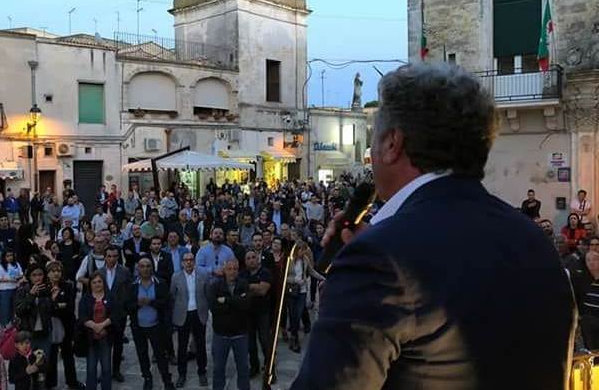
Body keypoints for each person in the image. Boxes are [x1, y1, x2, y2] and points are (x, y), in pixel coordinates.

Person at [291, 63, 575, 390]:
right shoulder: (535, 242)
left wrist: (353, 283)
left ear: (392, 143)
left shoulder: (378, 260)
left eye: (373, 138)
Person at [127, 258, 176, 390]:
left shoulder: (161, 283)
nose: (145, 269)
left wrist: (151, 302)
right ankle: (147, 378)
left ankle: (167, 380)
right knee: (142, 354)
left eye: (148, 266)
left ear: (152, 268)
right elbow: (126, 305)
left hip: (156, 326)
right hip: (138, 327)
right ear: (138, 269)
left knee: (160, 355)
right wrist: (137, 304)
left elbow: (166, 303)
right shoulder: (132, 285)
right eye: (142, 266)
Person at [206, 258, 251, 390]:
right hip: (221, 335)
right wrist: (237, 302)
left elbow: (246, 305)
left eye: (235, 269)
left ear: (238, 270)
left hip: (240, 335)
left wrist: (226, 300)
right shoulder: (215, 285)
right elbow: (214, 308)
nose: (232, 272)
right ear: (224, 270)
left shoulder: (243, 284)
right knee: (218, 369)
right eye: (229, 269)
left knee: (243, 368)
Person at [170, 252, 209, 388]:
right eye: (186, 260)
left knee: (200, 344)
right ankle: (182, 374)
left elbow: (207, 293)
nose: (188, 262)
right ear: (182, 263)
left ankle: (202, 372)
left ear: (194, 261)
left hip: (199, 314)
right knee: (182, 346)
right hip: (183, 315)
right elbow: (172, 296)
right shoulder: (176, 277)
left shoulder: (202, 276)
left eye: (191, 260)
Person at [45, 261, 84, 390]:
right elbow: (46, 309)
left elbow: (69, 307)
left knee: (68, 354)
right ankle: (50, 383)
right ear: (48, 273)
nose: (56, 273)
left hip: (66, 325)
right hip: (50, 326)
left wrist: (56, 306)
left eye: (58, 271)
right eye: (53, 271)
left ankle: (72, 383)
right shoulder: (45, 288)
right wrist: (57, 305)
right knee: (51, 355)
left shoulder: (67, 286)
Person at [97, 246, 132, 383]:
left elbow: (128, 292)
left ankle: (116, 370)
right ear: (105, 257)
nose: (112, 259)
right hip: (103, 313)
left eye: (114, 256)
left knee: (118, 343)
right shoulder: (99, 272)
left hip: (119, 314)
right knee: (103, 343)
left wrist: (125, 310)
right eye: (109, 256)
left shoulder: (125, 272)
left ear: (118, 257)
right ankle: (104, 370)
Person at [285, 240, 324, 353]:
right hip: (292, 290)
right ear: (297, 250)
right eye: (303, 250)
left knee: (297, 314)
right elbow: (285, 277)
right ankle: (294, 338)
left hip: (302, 291)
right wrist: (295, 280)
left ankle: (294, 337)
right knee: (292, 315)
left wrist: (323, 278)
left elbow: (311, 271)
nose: (304, 253)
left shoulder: (305, 260)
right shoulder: (290, 261)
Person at [239, 250, 273, 378]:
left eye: (253, 257)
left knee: (265, 341)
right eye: (248, 258)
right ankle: (254, 367)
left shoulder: (265, 272)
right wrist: (255, 287)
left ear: (257, 258)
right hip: (247, 314)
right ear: (245, 261)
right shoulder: (242, 274)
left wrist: (248, 288)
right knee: (250, 343)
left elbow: (263, 290)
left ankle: (270, 367)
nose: (251, 260)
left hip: (263, 313)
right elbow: (240, 292)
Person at [78, 272, 115, 390]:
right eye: (94, 282)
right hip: (90, 338)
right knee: (91, 368)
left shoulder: (110, 297)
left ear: (103, 283)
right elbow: (82, 316)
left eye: (99, 281)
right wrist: (95, 326)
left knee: (106, 368)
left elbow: (116, 314)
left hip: (106, 336)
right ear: (90, 284)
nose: (97, 284)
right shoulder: (85, 298)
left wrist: (103, 325)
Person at [14, 264, 53, 356]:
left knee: (43, 361)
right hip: (28, 331)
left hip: (44, 331)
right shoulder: (23, 290)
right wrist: (31, 296)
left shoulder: (47, 290)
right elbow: (19, 310)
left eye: (40, 275)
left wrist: (53, 299)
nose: (38, 278)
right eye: (34, 275)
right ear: (29, 277)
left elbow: (52, 311)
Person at [0, 250, 23, 327]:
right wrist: (9, 279)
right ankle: (5, 326)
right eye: (8, 256)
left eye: (11, 255)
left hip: (15, 288)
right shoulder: (0, 266)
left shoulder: (16, 264)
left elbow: (21, 274)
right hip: (5, 290)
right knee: (5, 309)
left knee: (14, 309)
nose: (10, 257)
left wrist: (17, 278)